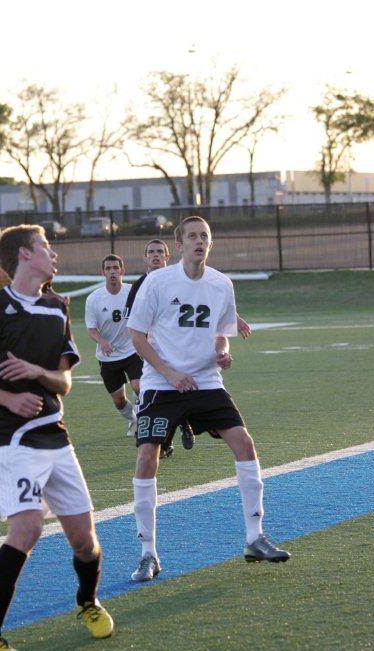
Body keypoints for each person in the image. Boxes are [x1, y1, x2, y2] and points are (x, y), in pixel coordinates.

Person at [0, 225, 113, 651]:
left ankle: (87, 601)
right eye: (47, 246)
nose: (54, 254)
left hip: (56, 437)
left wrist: (36, 372)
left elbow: (63, 381)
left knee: (85, 542)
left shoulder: (56, 307)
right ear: (25, 254)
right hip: (12, 440)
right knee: (26, 528)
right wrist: (9, 397)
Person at [127, 216, 290, 582]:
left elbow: (222, 335)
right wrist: (169, 374)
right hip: (161, 383)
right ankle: (147, 553)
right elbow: (136, 336)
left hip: (205, 382)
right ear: (179, 244)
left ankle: (255, 537)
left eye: (205, 237)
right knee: (146, 456)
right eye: (192, 236)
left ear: (210, 245)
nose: (199, 242)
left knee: (244, 444)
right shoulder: (157, 282)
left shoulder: (221, 284)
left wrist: (223, 353)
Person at [124, 239, 195, 457]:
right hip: (150, 351)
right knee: (151, 392)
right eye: (151, 252)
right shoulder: (139, 286)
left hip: (179, 349)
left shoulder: (181, 281)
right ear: (145, 258)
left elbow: (204, 302)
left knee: (180, 390)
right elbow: (131, 323)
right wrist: (142, 348)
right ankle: (160, 441)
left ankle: (181, 423)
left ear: (167, 256)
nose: (155, 255)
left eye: (159, 252)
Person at [85, 254, 144, 438]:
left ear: (122, 270)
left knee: (139, 386)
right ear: (103, 272)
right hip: (108, 357)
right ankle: (133, 419)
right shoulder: (94, 298)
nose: (112, 272)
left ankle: (143, 421)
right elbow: (92, 329)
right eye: (108, 268)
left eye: (115, 268)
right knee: (119, 400)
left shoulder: (132, 292)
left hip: (132, 349)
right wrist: (102, 341)